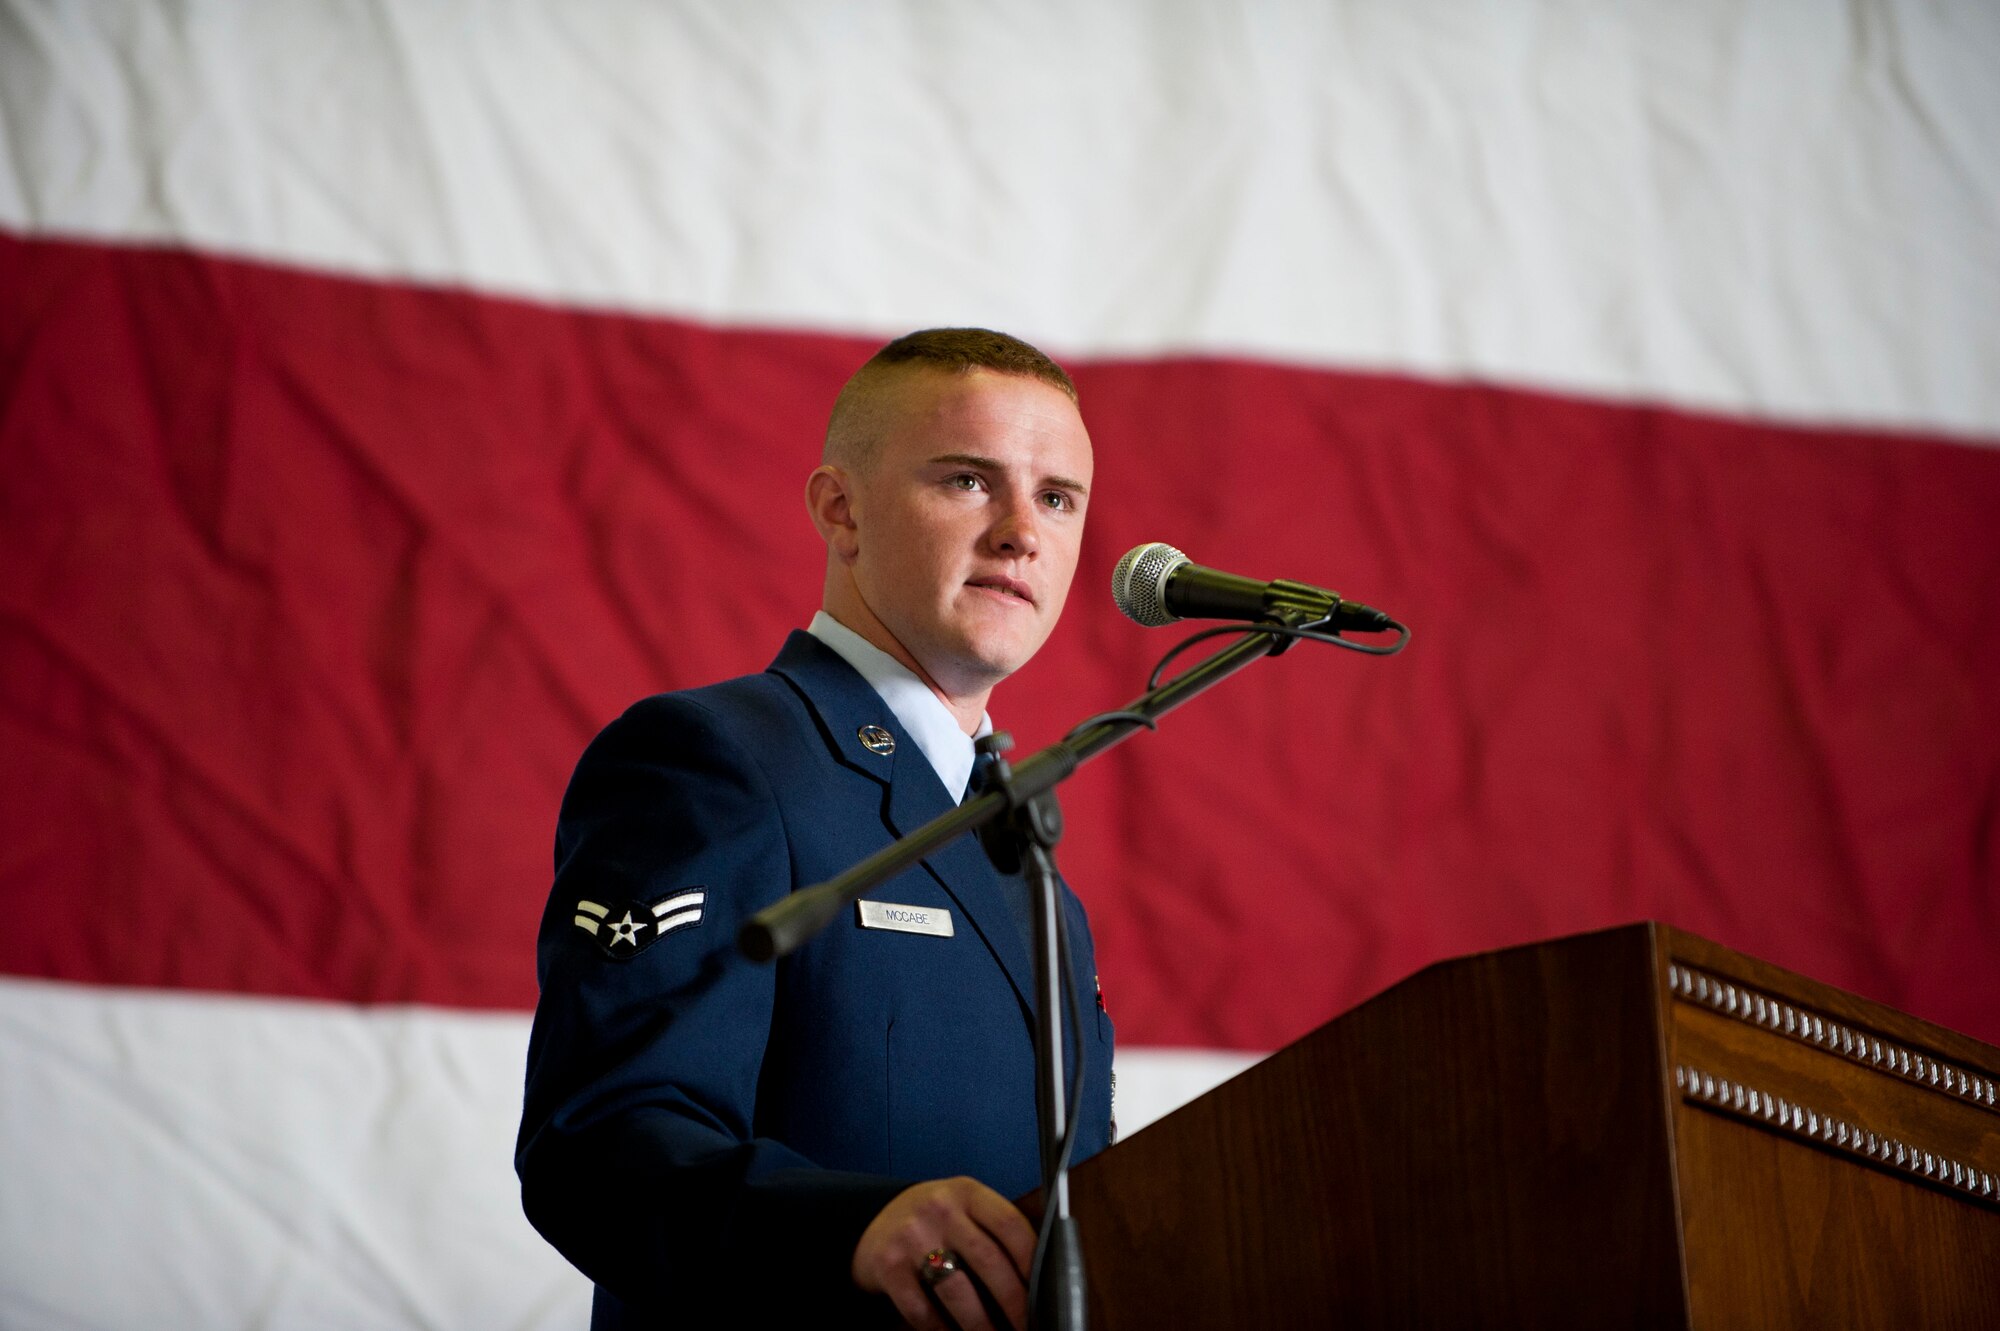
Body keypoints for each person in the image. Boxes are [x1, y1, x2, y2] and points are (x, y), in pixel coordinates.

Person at [516, 328, 1116, 1330]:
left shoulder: (1026, 848)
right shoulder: (712, 760)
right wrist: (851, 1228)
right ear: (840, 509)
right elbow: (599, 1144)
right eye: (968, 480)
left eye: (1057, 497)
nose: (1022, 532)